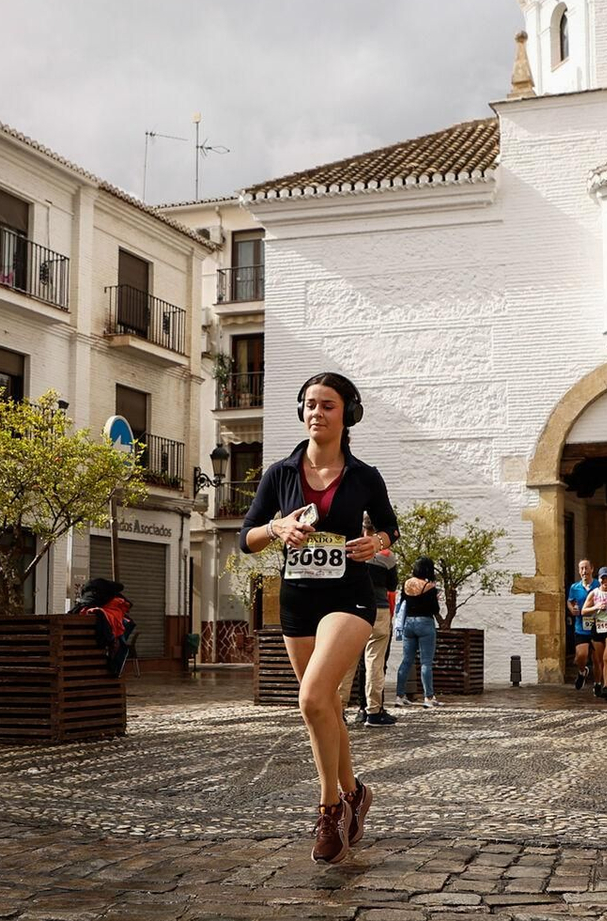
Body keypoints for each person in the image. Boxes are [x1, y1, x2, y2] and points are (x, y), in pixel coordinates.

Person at [241, 371, 399, 865]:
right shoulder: (280, 474)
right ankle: (356, 793)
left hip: (350, 597)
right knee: (326, 703)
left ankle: (330, 807)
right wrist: (277, 527)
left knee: (311, 698)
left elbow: (390, 529)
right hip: (298, 600)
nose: (316, 413)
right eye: (310, 404)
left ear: (348, 414)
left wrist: (377, 543)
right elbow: (247, 538)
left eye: (327, 405)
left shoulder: (365, 476)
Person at [341, 513, 399, 728]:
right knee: (375, 661)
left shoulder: (348, 550)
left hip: (352, 609)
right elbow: (392, 585)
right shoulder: (387, 556)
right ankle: (373, 711)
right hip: (379, 610)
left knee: (346, 662)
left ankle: (338, 709)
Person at [394, 557, 441, 708]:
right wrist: (436, 596)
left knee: (406, 660)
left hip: (408, 623)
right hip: (425, 623)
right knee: (426, 662)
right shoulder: (429, 586)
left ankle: (399, 696)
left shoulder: (407, 584)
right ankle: (428, 697)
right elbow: (435, 610)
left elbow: (404, 603)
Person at [580, 567, 607, 701]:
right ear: (598, 579)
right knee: (599, 660)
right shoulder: (594, 593)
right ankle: (603, 683)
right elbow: (583, 611)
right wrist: (596, 607)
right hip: (598, 627)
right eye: (602, 578)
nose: (605, 581)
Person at [567, 559, 599, 691]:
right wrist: (572, 609)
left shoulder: (598, 584)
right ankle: (582, 671)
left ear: (592, 569)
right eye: (581, 569)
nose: (584, 571)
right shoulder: (574, 587)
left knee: (597, 659)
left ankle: (598, 684)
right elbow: (570, 601)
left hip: (598, 626)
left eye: (586, 568)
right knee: (581, 655)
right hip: (581, 627)